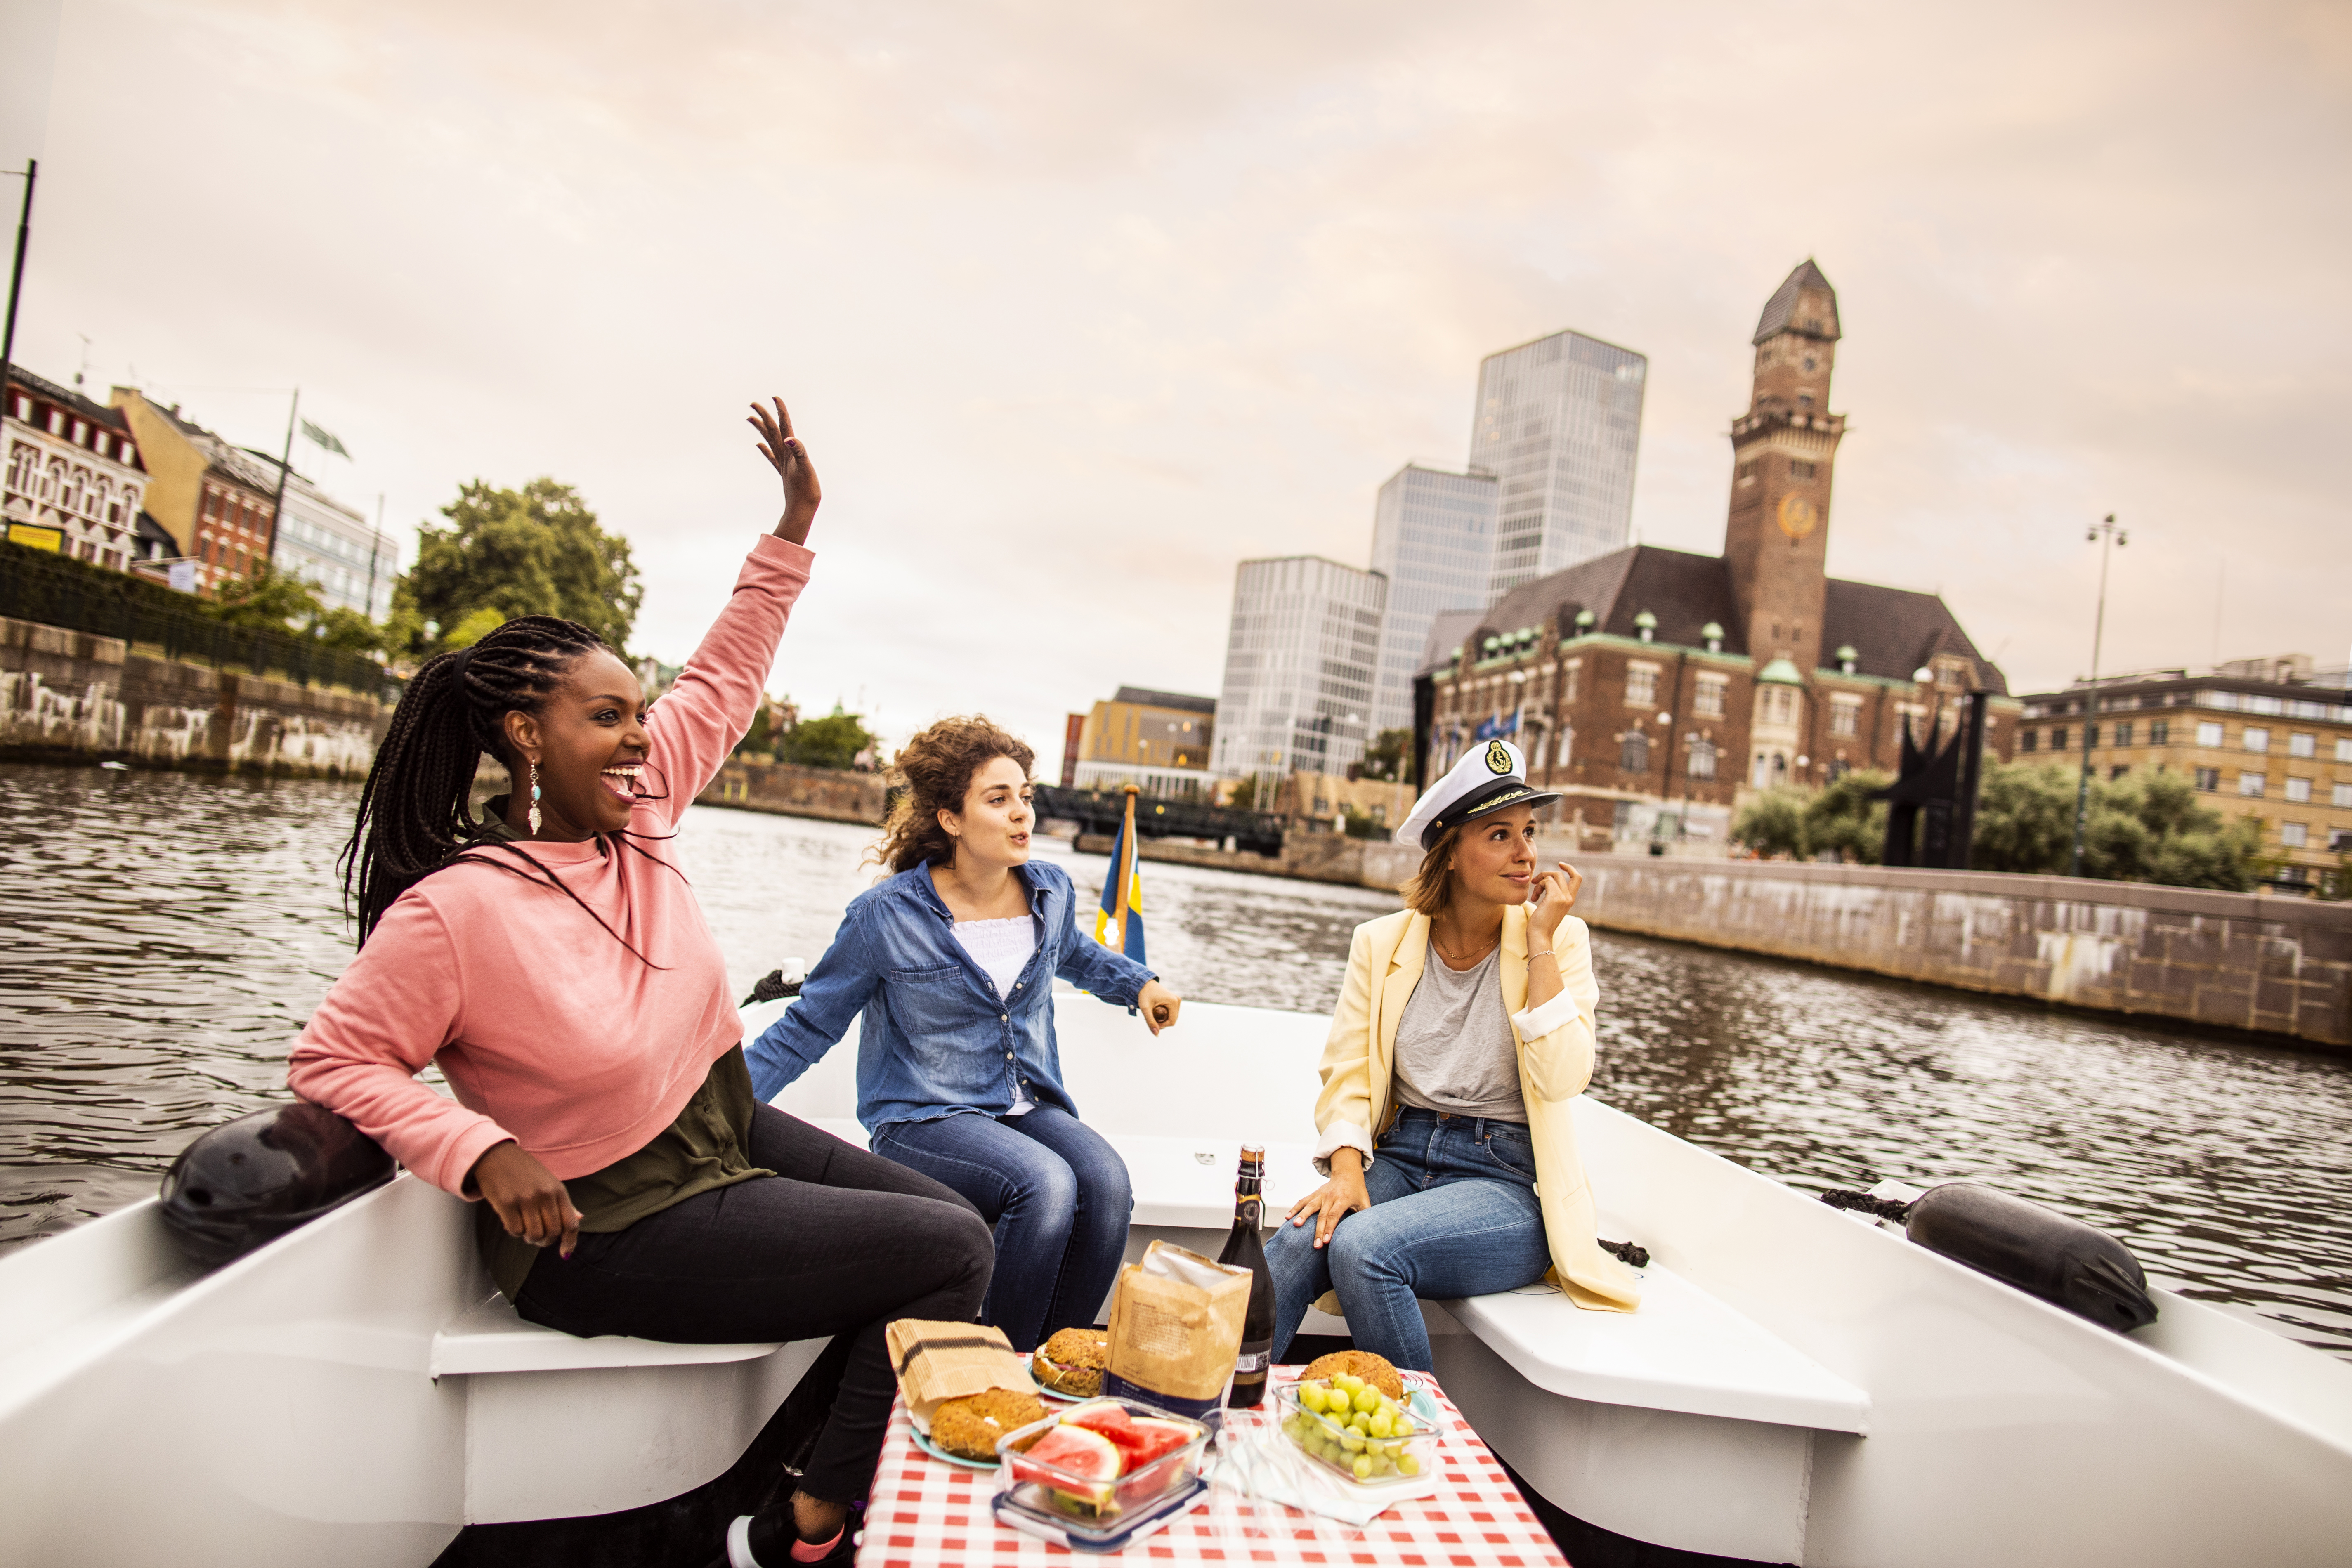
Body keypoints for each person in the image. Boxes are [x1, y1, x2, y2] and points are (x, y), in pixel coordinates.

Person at [288, 399, 988, 1568]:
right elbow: (332, 1061)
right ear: (523, 735)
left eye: (635, 716)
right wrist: (478, 1150)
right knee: (949, 1255)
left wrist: (793, 528)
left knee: (957, 1228)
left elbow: (721, 677)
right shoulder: (454, 910)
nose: (636, 739)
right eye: (604, 718)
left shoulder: (643, 810)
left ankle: (788, 1486)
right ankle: (806, 1526)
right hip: (602, 1218)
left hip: (714, 1136)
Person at [747, 718, 1183, 1353]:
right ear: (951, 819)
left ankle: (1047, 1362)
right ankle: (986, 1366)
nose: (1021, 815)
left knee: (1108, 1181)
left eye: (1026, 797)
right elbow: (810, 1024)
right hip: (924, 1119)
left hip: (1025, 1103)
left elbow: (1079, 955)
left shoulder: (1050, 891)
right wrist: (720, 1107)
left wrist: (1141, 984)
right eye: (998, 799)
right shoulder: (884, 916)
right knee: (1046, 1185)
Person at [1265, 739, 1641, 1372]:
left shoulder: (1559, 940)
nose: (1527, 854)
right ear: (1450, 854)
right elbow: (1349, 1070)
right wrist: (1348, 1169)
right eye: (1500, 836)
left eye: (1529, 832)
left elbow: (1562, 1078)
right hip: (1403, 1155)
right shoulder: (1380, 942)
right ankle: (1213, 1417)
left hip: (1507, 1183)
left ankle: (1424, 1446)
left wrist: (1543, 941)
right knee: (1293, 1247)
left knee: (1362, 1249)